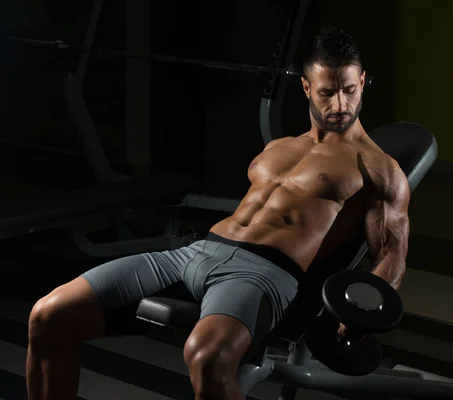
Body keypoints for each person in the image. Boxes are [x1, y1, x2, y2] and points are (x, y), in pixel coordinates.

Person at [26, 26, 410, 400]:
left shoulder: (376, 166)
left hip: (262, 274)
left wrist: (363, 312)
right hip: (194, 253)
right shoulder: (279, 147)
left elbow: (391, 253)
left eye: (349, 90)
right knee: (48, 316)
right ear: (307, 88)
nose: (340, 104)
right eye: (328, 92)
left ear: (362, 81)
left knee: (208, 359)